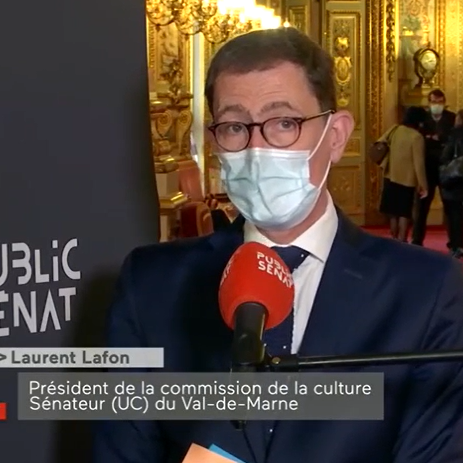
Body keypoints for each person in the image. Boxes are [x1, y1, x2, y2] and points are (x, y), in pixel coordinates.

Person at [93, 28, 463, 463]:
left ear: (336, 135)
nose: (257, 149)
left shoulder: (428, 290)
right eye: (235, 127)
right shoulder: (151, 284)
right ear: (215, 141)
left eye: (285, 123)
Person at [412, 89, 456, 246]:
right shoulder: (422, 118)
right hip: (427, 167)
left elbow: (453, 139)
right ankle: (417, 240)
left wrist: (438, 138)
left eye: (439, 102)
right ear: (429, 103)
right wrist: (432, 139)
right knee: (421, 207)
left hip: (446, 168)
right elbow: (418, 139)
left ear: (444, 102)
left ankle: (455, 242)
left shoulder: (452, 118)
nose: (436, 105)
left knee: (450, 207)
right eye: (434, 102)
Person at [378, 106, 428, 241]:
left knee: (393, 212)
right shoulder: (416, 137)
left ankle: (394, 238)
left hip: (390, 176)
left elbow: (380, 142)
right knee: (404, 213)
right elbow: (419, 163)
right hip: (407, 180)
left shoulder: (395, 130)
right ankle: (402, 240)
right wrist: (423, 185)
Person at [440, 109, 463, 258]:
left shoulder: (454, 135)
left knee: (454, 216)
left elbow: (445, 156)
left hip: (455, 181)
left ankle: (456, 245)